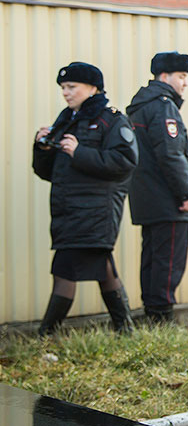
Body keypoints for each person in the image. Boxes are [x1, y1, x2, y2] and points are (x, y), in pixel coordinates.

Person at [33, 62, 138, 335]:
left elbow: (124, 162)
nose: (65, 93)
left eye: (72, 87)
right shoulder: (66, 119)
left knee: (65, 269)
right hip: (67, 210)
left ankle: (46, 335)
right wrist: (42, 148)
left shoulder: (111, 120)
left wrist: (79, 152)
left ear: (93, 88)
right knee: (102, 269)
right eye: (63, 88)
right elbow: (49, 172)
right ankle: (125, 330)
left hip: (96, 211)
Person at [126, 51, 188, 324]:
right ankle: (161, 318)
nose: (185, 82)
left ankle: (151, 312)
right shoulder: (163, 107)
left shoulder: (140, 105)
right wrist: (185, 194)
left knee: (152, 257)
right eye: (182, 76)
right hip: (168, 199)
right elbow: (170, 154)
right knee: (169, 261)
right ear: (165, 76)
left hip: (147, 197)